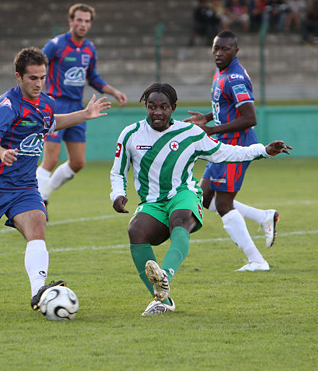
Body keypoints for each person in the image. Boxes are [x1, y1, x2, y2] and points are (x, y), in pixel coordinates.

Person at [0, 47, 112, 313]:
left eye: (42, 77)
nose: (38, 83)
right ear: (19, 77)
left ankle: (38, 291)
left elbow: (50, 123)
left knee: (38, 228)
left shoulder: (47, 103)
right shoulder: (7, 105)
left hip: (25, 186)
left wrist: (83, 115)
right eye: (32, 78)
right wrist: (1, 152)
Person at [110, 82, 291, 315]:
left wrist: (263, 151)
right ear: (145, 106)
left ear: (173, 108)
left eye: (163, 107)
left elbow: (224, 152)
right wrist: (118, 194)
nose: (157, 112)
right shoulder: (130, 134)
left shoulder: (190, 133)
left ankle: (164, 274)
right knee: (135, 230)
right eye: (152, 106)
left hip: (183, 194)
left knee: (180, 219)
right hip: (152, 202)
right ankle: (162, 300)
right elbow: (118, 171)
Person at [184, 30, 281, 271]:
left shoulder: (235, 78)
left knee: (225, 204)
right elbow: (226, 106)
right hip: (223, 144)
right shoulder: (222, 72)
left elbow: (249, 118)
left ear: (235, 51)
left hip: (236, 145)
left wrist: (212, 129)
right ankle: (263, 216)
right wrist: (205, 118)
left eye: (224, 49)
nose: (218, 53)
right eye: (216, 48)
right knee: (204, 198)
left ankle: (257, 261)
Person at [37, 3, 127, 212]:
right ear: (71, 21)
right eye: (79, 20)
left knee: (77, 162)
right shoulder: (56, 44)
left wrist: (113, 91)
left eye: (87, 21)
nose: (83, 24)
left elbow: (92, 76)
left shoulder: (89, 48)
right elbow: (36, 65)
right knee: (49, 160)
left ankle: (44, 193)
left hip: (78, 108)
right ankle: (38, 205)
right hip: (56, 106)